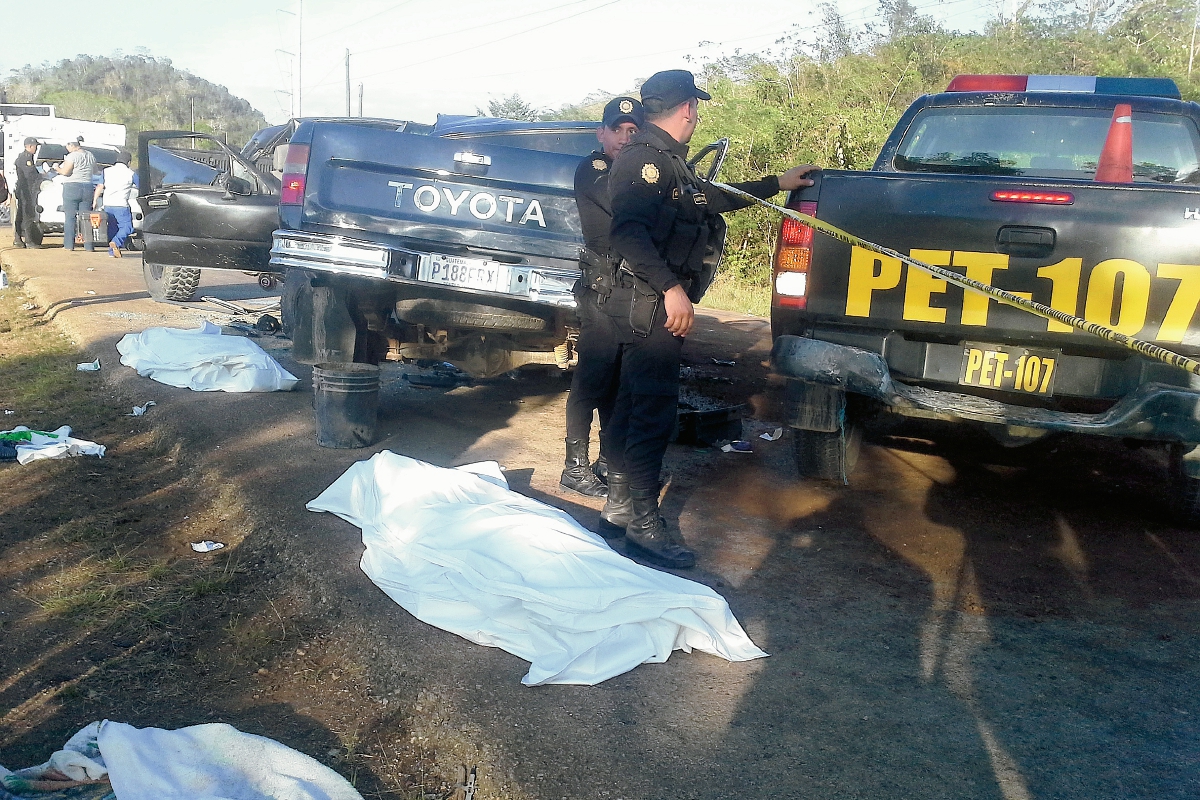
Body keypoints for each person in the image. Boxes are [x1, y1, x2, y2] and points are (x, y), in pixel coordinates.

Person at [604, 69, 819, 568]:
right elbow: (628, 234)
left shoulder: (670, 163)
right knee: (652, 411)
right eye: (695, 108)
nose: (696, 115)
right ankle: (641, 522)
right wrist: (672, 289)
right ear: (687, 110)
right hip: (647, 304)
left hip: (648, 302)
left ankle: (619, 512)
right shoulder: (645, 162)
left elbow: (710, 201)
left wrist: (777, 184)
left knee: (636, 404)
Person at [561, 96, 644, 504]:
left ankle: (608, 462)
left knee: (619, 385)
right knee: (591, 381)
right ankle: (574, 468)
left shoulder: (632, 175)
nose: (626, 137)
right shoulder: (594, 169)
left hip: (626, 293)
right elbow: (623, 205)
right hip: (599, 291)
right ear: (602, 133)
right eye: (620, 130)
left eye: (634, 131)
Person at [57, 137, 97, 252]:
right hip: (88, 187)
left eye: (67, 146)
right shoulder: (90, 155)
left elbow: (65, 172)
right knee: (85, 218)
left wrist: (57, 168)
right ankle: (88, 246)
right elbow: (95, 171)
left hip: (72, 187)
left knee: (70, 217)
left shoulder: (72, 156)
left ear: (71, 145)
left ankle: (69, 245)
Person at [93, 150, 136, 257]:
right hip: (121, 204)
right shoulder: (131, 174)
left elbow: (100, 186)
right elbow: (141, 187)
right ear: (129, 162)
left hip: (107, 204)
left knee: (113, 227)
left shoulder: (107, 171)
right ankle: (116, 243)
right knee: (127, 227)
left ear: (117, 160)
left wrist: (95, 201)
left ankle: (112, 252)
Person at [12, 137, 42, 248]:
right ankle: (29, 241)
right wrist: (40, 177)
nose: (36, 148)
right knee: (28, 215)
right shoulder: (26, 158)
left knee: (21, 214)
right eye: (35, 146)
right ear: (29, 146)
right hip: (27, 190)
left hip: (24, 190)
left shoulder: (26, 157)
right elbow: (30, 175)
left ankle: (18, 239)